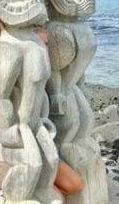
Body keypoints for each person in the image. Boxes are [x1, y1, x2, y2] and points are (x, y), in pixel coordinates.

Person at [36, 26, 84, 203]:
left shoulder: (47, 73)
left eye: (47, 44)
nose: (46, 50)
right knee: (58, 198)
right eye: (41, 44)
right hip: (30, 149)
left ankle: (49, 189)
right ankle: (45, 190)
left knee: (76, 185)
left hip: (47, 145)